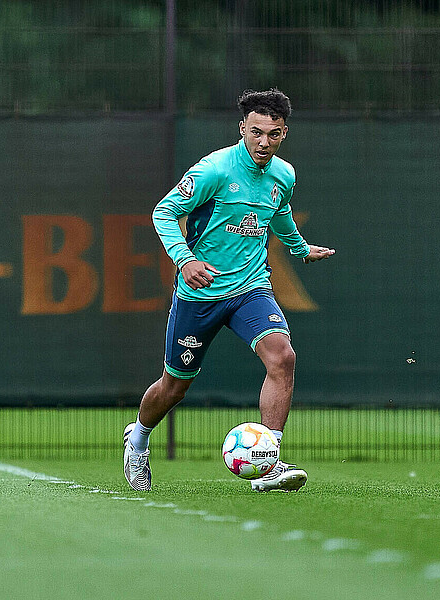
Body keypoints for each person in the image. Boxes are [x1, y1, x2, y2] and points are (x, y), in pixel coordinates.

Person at [123, 88, 335, 492]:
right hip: (200, 295)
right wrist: (186, 261)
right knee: (174, 386)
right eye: (256, 132)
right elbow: (163, 212)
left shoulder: (284, 174)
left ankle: (268, 461)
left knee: (283, 357)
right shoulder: (214, 169)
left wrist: (300, 249)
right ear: (242, 128)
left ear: (284, 133)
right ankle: (138, 439)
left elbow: (280, 213)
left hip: (251, 287)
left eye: (273, 134)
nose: (263, 142)